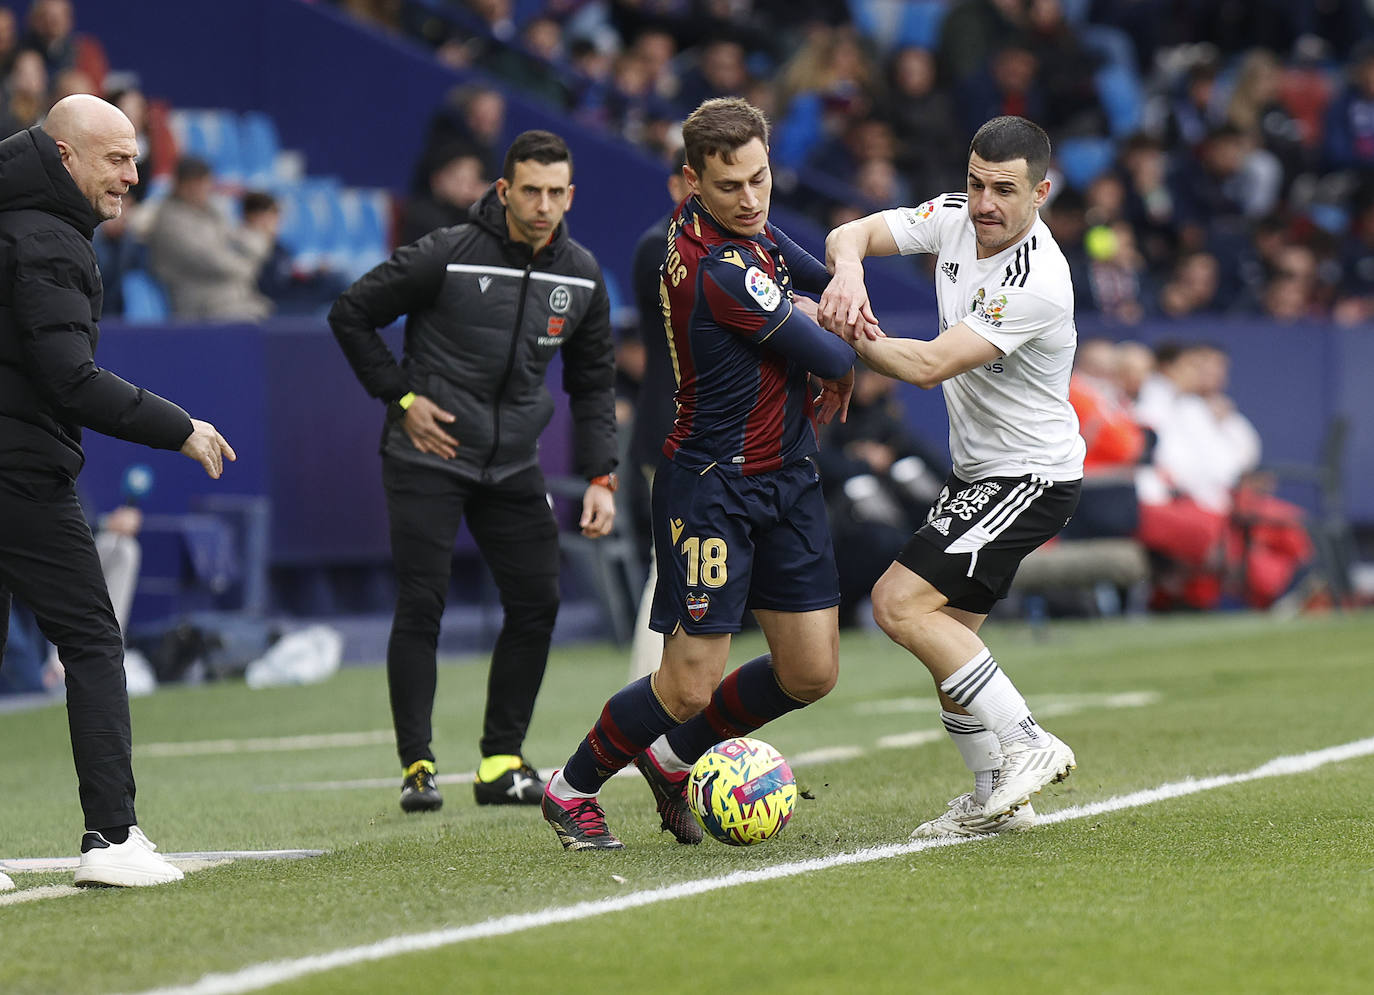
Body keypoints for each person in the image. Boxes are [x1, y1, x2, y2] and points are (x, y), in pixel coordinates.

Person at [541, 97, 859, 851]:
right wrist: (828, 314)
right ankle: (571, 787)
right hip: (711, 486)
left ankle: (673, 756)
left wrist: (837, 284)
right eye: (728, 187)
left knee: (811, 670)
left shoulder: (753, 231)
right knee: (685, 683)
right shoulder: (714, 267)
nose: (750, 199)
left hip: (787, 476)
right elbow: (839, 355)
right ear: (691, 182)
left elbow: (827, 286)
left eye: (759, 179)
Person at [329, 130, 619, 814]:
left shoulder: (581, 273)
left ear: (569, 194)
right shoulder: (447, 253)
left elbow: (595, 381)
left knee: (537, 600)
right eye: (530, 191)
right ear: (503, 191)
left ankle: (501, 761)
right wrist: (402, 399)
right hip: (426, 453)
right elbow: (351, 313)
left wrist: (601, 475)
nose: (543, 205)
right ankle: (418, 765)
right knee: (422, 601)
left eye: (556, 192)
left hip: (512, 460)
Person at [819, 115, 1084, 839]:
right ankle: (997, 793)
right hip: (981, 475)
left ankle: (1029, 741)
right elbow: (850, 233)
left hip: (1030, 476)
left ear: (1041, 192)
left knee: (897, 604)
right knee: (946, 637)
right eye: (976, 183)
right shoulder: (954, 216)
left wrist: (837, 327)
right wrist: (848, 272)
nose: (986, 202)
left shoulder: (1039, 281)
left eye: (1005, 189)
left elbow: (931, 365)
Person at [0, 94, 236, 886]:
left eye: (135, 158)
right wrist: (180, 426)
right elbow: (70, 380)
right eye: (116, 158)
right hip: (18, 472)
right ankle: (111, 836)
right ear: (64, 157)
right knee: (95, 640)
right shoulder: (46, 239)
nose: (134, 176)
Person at [624, 149, 689, 682]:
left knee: (687, 568)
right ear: (676, 184)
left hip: (704, 431)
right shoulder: (657, 248)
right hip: (670, 430)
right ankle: (650, 696)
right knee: (668, 565)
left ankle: (667, 693)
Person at [145, 156, 272, 321]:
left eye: (204, 182)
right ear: (180, 185)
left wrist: (251, 251)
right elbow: (209, 260)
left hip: (234, 296)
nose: (201, 189)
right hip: (196, 301)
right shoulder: (169, 221)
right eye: (194, 184)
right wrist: (247, 267)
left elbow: (245, 239)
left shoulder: (212, 212)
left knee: (272, 318)